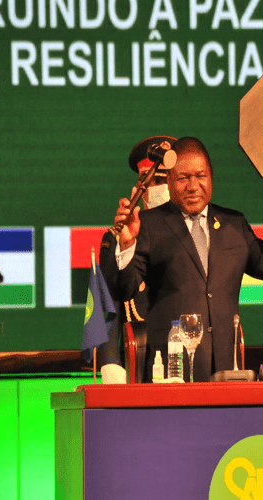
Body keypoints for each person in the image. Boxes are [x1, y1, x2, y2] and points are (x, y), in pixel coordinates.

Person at [100, 136, 263, 382]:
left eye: (200, 176)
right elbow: (124, 289)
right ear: (170, 182)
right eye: (183, 178)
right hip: (171, 373)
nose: (193, 186)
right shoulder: (149, 226)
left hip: (227, 372)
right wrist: (128, 244)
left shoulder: (233, 224)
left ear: (211, 177)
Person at [97, 135, 177, 367]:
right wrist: (110, 365)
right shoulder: (118, 238)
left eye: (166, 180)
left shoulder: (193, 233)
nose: (160, 188)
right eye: (153, 180)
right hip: (138, 357)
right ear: (140, 188)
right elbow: (109, 311)